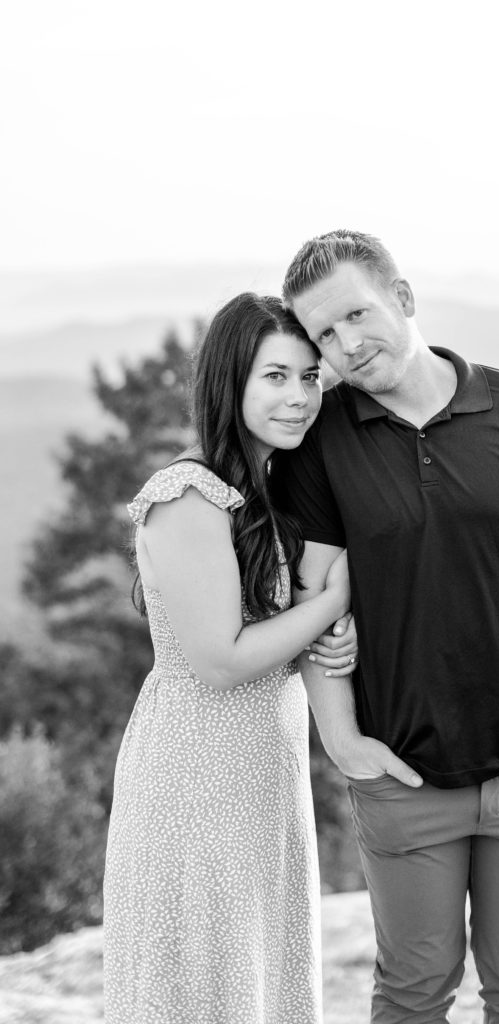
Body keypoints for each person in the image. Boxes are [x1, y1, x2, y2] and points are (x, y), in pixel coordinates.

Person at [277, 230, 499, 1024]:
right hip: (400, 774)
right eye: (324, 335)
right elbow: (314, 594)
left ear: (401, 299)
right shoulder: (322, 443)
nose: (347, 344)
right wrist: (343, 741)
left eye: (356, 316)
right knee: (411, 994)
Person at [103, 292, 358, 1024]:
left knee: (256, 979)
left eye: (310, 377)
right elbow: (218, 658)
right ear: (229, 381)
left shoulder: (265, 491)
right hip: (193, 776)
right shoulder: (189, 496)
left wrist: (315, 635)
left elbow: (263, 632)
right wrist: (328, 606)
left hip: (260, 776)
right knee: (202, 984)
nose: (299, 396)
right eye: (274, 376)